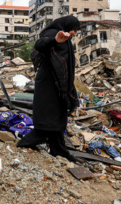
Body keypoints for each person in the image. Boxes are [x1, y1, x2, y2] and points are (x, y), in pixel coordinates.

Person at [17, 16, 80, 162]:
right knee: (48, 118)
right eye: (74, 30)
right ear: (67, 26)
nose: (75, 34)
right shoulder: (53, 33)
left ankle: (58, 149)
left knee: (57, 117)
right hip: (49, 83)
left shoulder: (66, 37)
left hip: (58, 83)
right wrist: (55, 40)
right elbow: (40, 44)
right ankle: (24, 144)